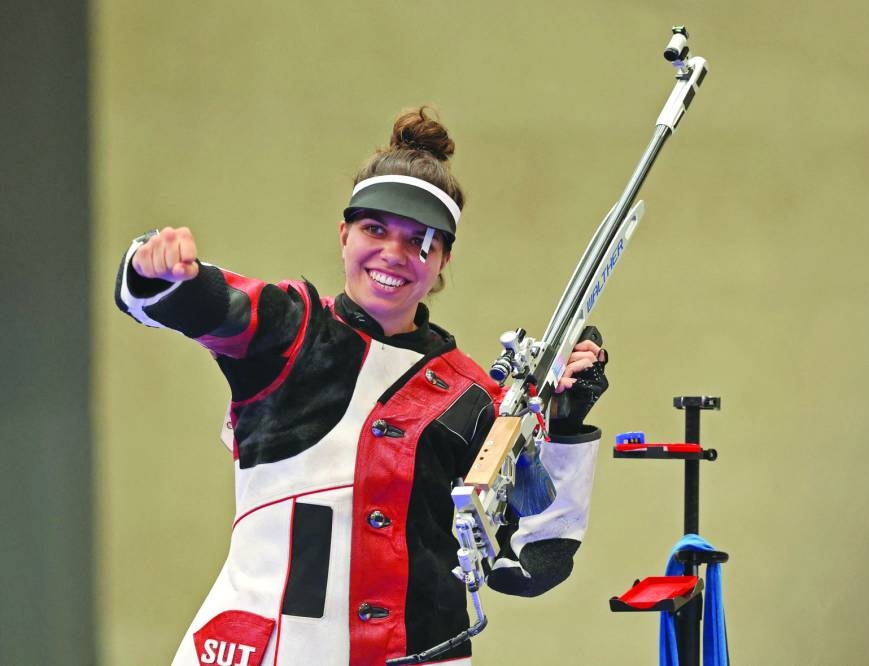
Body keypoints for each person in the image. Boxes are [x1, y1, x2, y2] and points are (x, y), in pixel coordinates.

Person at [115, 107, 608, 666]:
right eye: (375, 229)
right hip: (272, 650)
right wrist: (155, 267)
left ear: (444, 258)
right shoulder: (290, 328)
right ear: (344, 233)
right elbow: (200, 300)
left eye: (420, 241)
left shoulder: (475, 398)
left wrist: (564, 424)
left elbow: (530, 560)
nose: (393, 255)